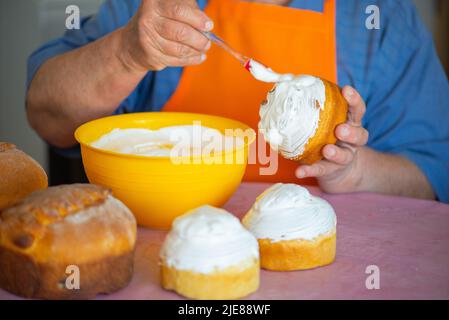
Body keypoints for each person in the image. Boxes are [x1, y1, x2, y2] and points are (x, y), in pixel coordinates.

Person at [26, 0, 449, 202]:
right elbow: (47, 115)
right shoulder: (154, 9)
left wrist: (354, 172)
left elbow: (436, 174)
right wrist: (125, 53)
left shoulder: (380, 17)